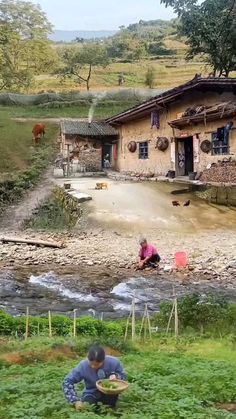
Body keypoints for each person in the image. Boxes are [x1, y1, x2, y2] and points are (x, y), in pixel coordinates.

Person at [63, 345, 126, 411]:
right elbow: (67, 381)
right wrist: (75, 401)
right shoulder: (83, 366)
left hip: (110, 393)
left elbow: (123, 376)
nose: (93, 366)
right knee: (87, 407)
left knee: (109, 409)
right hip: (91, 392)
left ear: (103, 360)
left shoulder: (114, 362)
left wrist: (117, 376)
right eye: (91, 364)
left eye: (97, 365)